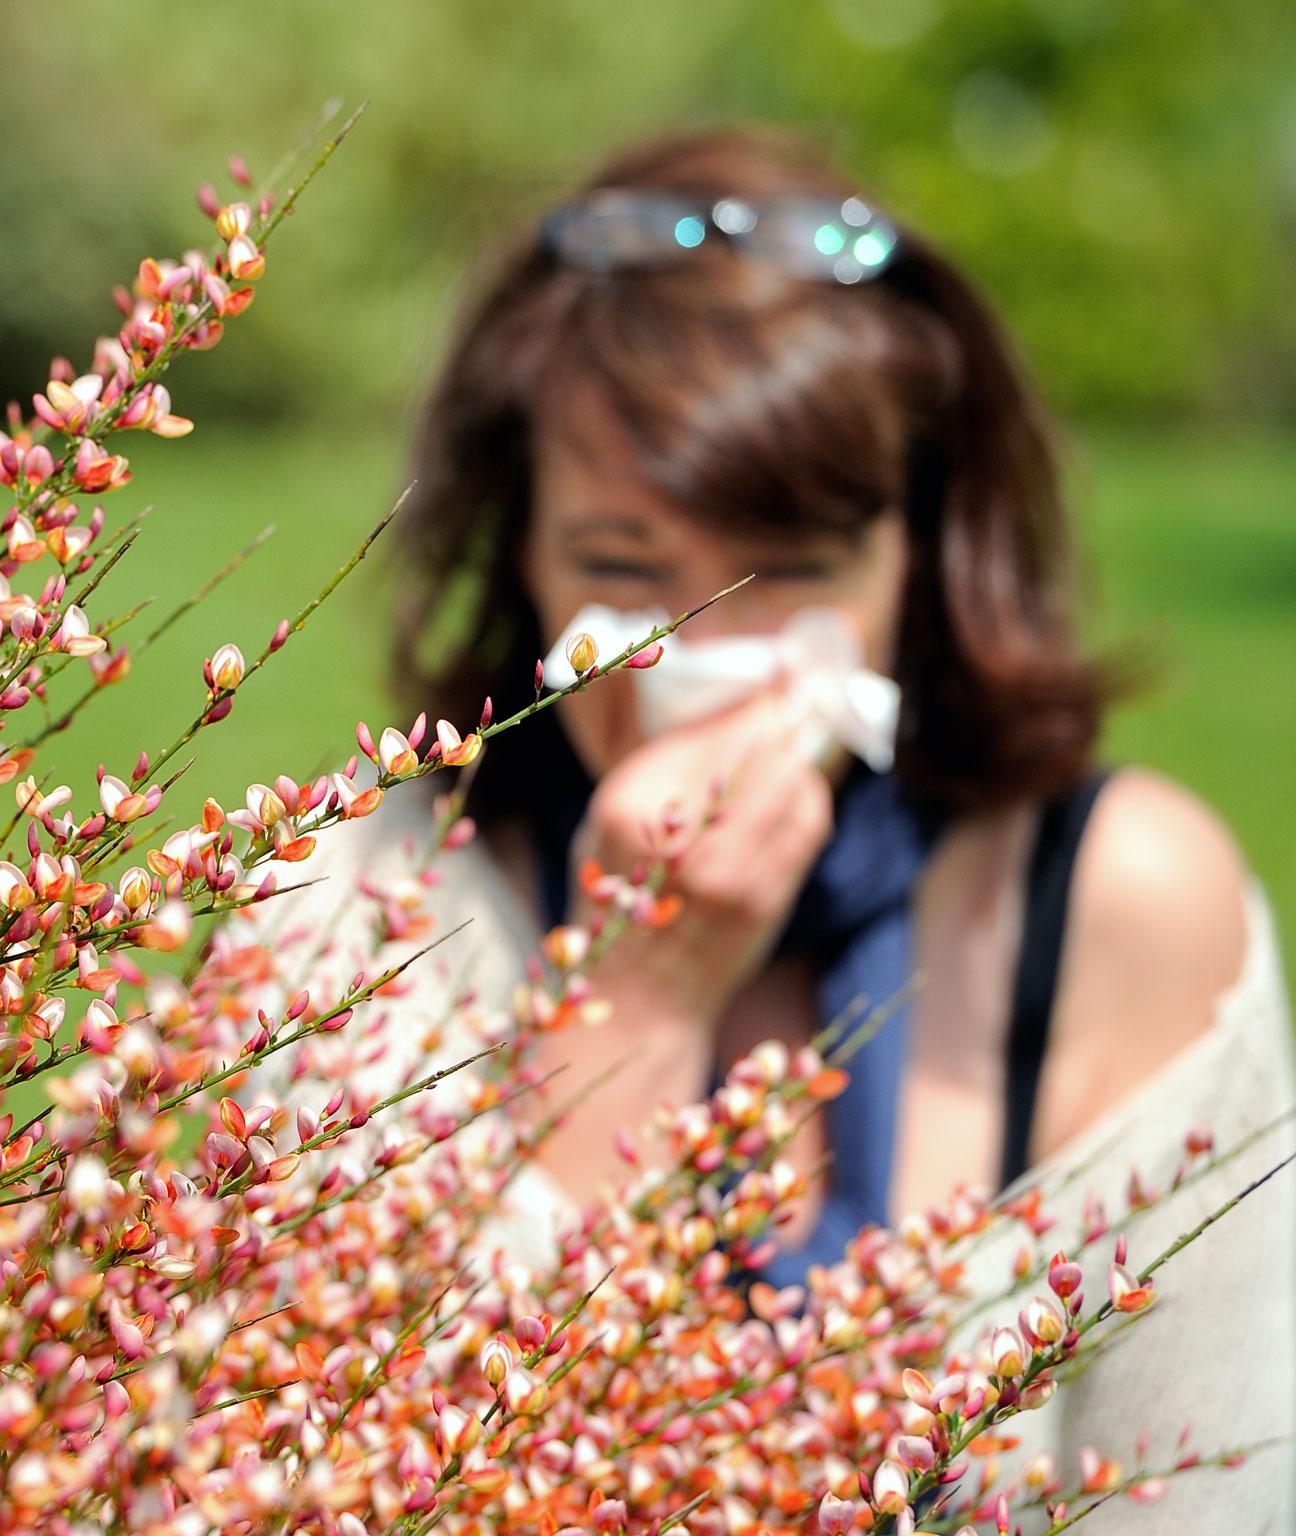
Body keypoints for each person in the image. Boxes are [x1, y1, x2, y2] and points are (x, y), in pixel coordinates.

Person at [247, 127, 1293, 1528]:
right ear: (522, 553)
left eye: (791, 574)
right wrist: (628, 997)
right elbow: (322, 1489)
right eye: (625, 569)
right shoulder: (369, 903)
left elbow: (1213, 1485)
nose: (707, 653)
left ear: (919, 556)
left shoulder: (1115, 905)